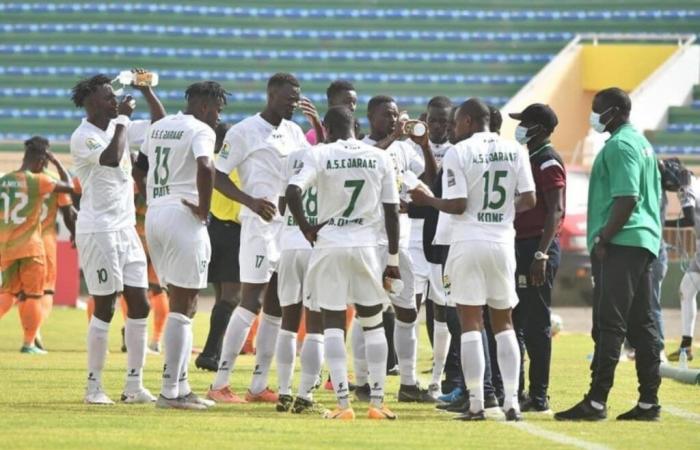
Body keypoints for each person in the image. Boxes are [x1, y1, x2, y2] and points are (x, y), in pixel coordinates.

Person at [411, 98, 536, 421]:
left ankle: (478, 402)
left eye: (455, 122)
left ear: (467, 121)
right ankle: (511, 402)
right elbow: (530, 199)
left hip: (468, 242)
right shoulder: (516, 150)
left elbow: (458, 205)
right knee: (504, 322)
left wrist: (427, 199)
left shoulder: (459, 151)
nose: (452, 128)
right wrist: (503, 212)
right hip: (502, 242)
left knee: (470, 323)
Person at [208, 73, 318, 404]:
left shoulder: (295, 131)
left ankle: (258, 386)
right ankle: (219, 382)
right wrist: (250, 201)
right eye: (288, 98)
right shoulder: (244, 131)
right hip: (258, 225)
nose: (293, 104)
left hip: (287, 228)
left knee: (276, 306)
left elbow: (312, 164)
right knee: (251, 300)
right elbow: (216, 173)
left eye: (297, 99)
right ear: (271, 95)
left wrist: (318, 125)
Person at [286, 105, 400, 420]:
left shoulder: (319, 154)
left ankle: (343, 405)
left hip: (331, 244)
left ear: (327, 127)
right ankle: (377, 404)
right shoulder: (379, 156)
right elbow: (391, 211)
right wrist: (392, 258)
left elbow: (293, 190)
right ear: (356, 126)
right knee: (373, 321)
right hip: (366, 246)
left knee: (333, 323)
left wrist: (306, 227)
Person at [555, 87, 662, 422]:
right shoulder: (642, 144)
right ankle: (648, 402)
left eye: (598, 109)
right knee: (642, 324)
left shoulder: (620, 146)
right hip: (643, 241)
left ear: (614, 111)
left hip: (623, 242)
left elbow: (627, 196)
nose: (594, 115)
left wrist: (604, 237)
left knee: (608, 323)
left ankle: (597, 400)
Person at [70, 71, 165, 404]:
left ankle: (134, 385)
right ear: (90, 102)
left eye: (114, 97)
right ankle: (93, 387)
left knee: (140, 303)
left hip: (125, 230)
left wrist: (147, 91)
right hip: (99, 230)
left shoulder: (116, 127)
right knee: (107, 305)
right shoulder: (83, 136)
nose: (115, 100)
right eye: (108, 97)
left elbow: (159, 123)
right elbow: (111, 159)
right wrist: (123, 118)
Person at [134, 80, 226, 410]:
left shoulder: (160, 127)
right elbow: (206, 165)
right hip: (184, 215)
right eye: (217, 109)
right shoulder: (200, 129)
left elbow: (139, 168)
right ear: (204, 106)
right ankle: (170, 391)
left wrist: (153, 198)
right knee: (184, 306)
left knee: (181, 301)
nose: (218, 117)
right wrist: (204, 207)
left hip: (156, 214)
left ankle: (182, 386)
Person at [357, 94, 437, 403]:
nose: (392, 120)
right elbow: (370, 160)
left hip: (397, 243)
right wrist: (394, 136)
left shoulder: (404, 149)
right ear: (370, 117)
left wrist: (425, 144)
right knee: (369, 310)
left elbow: (431, 177)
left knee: (408, 311)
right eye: (385, 115)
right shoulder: (361, 146)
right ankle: (363, 382)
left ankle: (407, 383)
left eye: (394, 115)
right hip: (368, 241)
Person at [510, 103, 566, 413]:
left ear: (540, 129)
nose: (520, 128)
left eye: (526, 123)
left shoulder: (546, 160)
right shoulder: (530, 156)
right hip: (522, 245)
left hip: (537, 247)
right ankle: (516, 390)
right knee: (516, 320)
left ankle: (539, 395)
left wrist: (541, 253)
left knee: (536, 322)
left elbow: (555, 210)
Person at [0, 138, 74, 353]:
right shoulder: (41, 180)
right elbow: (69, 188)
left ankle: (32, 335)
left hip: (6, 246)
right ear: (42, 159)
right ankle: (29, 342)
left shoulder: (5, 180)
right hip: (33, 245)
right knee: (35, 294)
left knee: (9, 292)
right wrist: (59, 164)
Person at [407, 96, 453, 398]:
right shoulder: (408, 148)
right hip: (411, 234)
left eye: (442, 121)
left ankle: (437, 378)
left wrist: (424, 149)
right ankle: (408, 379)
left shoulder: (456, 151)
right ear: (425, 119)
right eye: (432, 120)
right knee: (409, 308)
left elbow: (434, 183)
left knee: (442, 310)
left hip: (439, 235)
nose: (436, 126)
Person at [194, 122, 243, 372]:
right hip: (233, 232)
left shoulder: (209, 161)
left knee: (220, 297)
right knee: (233, 297)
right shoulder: (234, 165)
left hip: (211, 230)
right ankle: (210, 353)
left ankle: (214, 350)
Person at [33, 138, 76, 351]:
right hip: (44, 241)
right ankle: (33, 333)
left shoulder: (16, 179)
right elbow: (67, 212)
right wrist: (75, 234)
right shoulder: (52, 181)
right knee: (46, 291)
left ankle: (30, 335)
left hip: (14, 240)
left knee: (15, 291)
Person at [661, 158, 697, 362]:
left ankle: (686, 346)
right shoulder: (695, 181)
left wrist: (662, 221)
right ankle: (686, 346)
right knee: (687, 289)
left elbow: (690, 218)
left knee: (687, 290)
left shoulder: (685, 187)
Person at [305, 80, 358, 145]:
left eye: (354, 102)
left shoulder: (356, 135)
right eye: (347, 101)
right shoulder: (312, 136)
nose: (352, 107)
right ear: (331, 103)